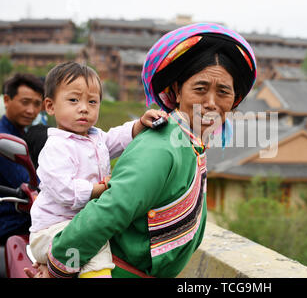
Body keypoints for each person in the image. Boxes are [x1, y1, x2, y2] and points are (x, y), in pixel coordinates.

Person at [27, 23, 257, 278]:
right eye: (200, 89)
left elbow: (114, 139)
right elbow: (108, 211)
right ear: (177, 90)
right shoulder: (162, 145)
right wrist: (59, 265)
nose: (211, 102)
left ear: (235, 100)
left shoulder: (187, 144)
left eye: (223, 92)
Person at [27, 61, 167, 278]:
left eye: (92, 101)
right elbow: (65, 191)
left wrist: (139, 125)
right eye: (73, 100)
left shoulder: (95, 137)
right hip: (51, 230)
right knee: (96, 244)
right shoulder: (56, 147)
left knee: (92, 236)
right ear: (50, 106)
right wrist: (99, 189)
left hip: (75, 227)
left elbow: (115, 138)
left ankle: (52, 269)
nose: (84, 108)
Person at [0, 73, 44, 244]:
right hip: (10, 225)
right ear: (7, 100)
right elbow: (30, 184)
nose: (31, 111)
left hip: (25, 220)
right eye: (25, 102)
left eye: (37, 104)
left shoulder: (24, 133)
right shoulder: (4, 138)